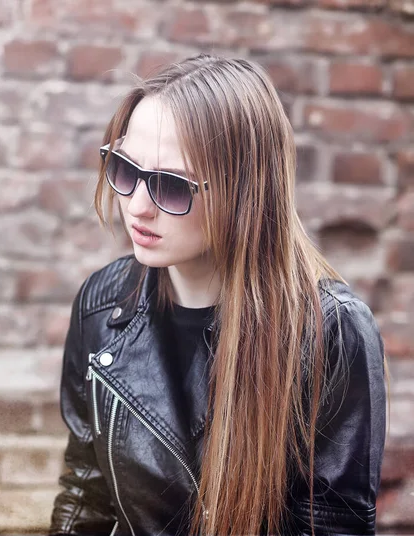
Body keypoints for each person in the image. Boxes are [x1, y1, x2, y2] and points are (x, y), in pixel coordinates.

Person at [48, 55, 388, 536]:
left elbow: (332, 527)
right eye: (124, 169)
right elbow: (86, 497)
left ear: (245, 190)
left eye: (171, 184)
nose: (138, 207)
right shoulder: (102, 305)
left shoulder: (330, 330)